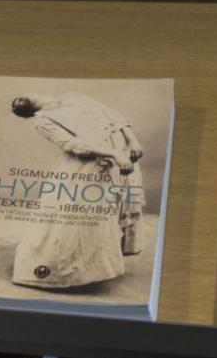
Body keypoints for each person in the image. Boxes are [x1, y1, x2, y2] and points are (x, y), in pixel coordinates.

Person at [8, 92, 144, 291]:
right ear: (28, 113)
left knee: (116, 206)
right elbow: (74, 145)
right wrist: (113, 153)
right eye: (17, 107)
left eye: (18, 99)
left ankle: (104, 262)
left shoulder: (75, 98)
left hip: (120, 153)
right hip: (92, 161)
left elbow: (114, 116)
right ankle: (67, 272)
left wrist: (132, 141)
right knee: (81, 216)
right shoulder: (42, 121)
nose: (17, 102)